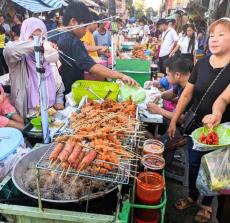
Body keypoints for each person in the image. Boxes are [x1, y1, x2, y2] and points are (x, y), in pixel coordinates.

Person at [168, 18, 230, 223]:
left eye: (221, 34)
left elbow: (223, 99)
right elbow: (186, 94)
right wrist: (173, 120)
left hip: (220, 132)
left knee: (214, 168)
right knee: (194, 163)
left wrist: (216, 115)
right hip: (197, 127)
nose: (214, 39)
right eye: (212, 35)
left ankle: (206, 205)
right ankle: (192, 196)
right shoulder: (202, 63)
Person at [57, 0, 137, 95]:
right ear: (74, 22)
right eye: (85, 26)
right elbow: (92, 67)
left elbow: (81, 60)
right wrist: (120, 75)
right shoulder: (74, 41)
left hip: (65, 90)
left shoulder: (62, 37)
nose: (86, 31)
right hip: (70, 92)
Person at [4, 17, 65, 118]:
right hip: (28, 117)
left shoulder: (48, 59)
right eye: (32, 37)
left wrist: (59, 101)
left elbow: (59, 86)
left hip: (50, 115)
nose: (38, 40)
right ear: (24, 35)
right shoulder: (19, 61)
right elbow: (9, 50)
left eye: (42, 37)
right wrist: (36, 45)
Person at [147, 55, 192, 121]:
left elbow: (184, 119)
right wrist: (158, 95)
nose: (166, 78)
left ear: (177, 75)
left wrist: (159, 110)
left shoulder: (193, 90)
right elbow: (171, 93)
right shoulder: (181, 83)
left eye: (168, 75)